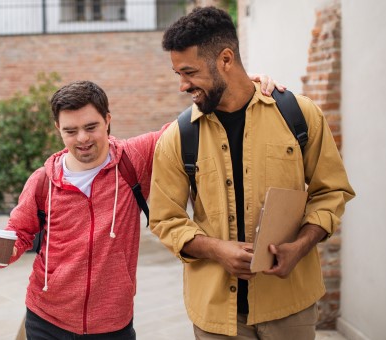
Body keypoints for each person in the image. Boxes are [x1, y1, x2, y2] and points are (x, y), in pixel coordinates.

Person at [0, 77, 280, 338]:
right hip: (46, 317)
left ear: (108, 119)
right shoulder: (43, 180)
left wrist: (243, 87)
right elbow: (19, 232)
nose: (82, 139)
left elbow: (187, 123)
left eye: (91, 127)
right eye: (71, 131)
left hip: (112, 322)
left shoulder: (132, 159)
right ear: (58, 128)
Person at [149, 6, 355, 340]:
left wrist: (300, 246)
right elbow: (165, 219)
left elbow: (331, 193)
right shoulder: (178, 137)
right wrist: (217, 249)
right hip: (216, 315)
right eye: (179, 75)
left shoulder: (299, 115)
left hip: (290, 305)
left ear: (225, 60)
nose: (183, 86)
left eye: (189, 72)